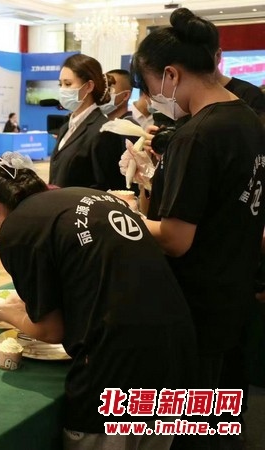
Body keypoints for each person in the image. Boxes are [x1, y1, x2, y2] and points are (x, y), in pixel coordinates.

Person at [0, 155, 197, 450]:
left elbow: (51, 330)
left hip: (115, 365)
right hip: (176, 349)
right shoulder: (86, 196)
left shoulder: (18, 227)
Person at [131, 8, 265, 448]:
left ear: (171, 74)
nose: (152, 97)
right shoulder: (247, 117)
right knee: (221, 416)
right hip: (233, 289)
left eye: (151, 85)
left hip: (196, 302)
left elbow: (175, 239)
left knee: (189, 425)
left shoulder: (197, 134)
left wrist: (125, 218)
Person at [50, 54, 126, 190]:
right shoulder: (65, 127)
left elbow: (106, 186)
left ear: (89, 86)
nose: (62, 89)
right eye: (60, 84)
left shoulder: (103, 130)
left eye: (68, 84)